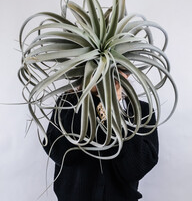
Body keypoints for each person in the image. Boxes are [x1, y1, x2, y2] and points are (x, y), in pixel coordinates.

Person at [43, 71, 159, 201]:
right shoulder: (67, 104)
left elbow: (136, 168)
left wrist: (112, 109)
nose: (105, 75)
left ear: (127, 73)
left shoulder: (142, 111)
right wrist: (87, 96)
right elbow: (61, 154)